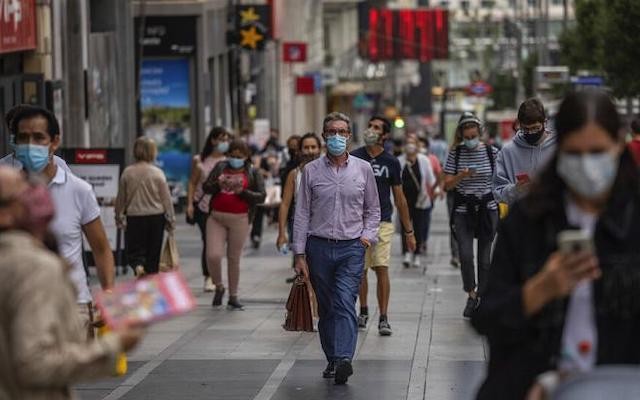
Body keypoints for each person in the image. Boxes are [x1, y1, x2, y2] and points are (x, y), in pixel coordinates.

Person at [471, 90, 640, 399]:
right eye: (575, 153)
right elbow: (488, 318)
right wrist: (541, 289)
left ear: (619, 143)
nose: (587, 165)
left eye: (597, 152)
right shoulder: (530, 221)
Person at [0, 166, 143, 400]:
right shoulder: (35, 268)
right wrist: (114, 344)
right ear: (5, 212)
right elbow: (34, 363)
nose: (34, 193)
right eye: (22, 190)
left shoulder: (76, 188)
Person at [10, 105, 115, 338]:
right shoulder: (8, 193)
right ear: (14, 144)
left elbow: (101, 248)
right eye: (23, 138)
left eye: (39, 137)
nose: (30, 145)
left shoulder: (78, 190)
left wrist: (108, 294)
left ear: (54, 142)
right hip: (19, 309)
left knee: (73, 371)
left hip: (73, 305)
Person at [293, 112, 380, 384]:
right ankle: (332, 357)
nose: (337, 137)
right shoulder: (311, 171)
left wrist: (367, 237)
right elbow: (302, 213)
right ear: (323, 136)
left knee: (344, 301)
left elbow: (373, 209)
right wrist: (299, 253)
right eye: (332, 132)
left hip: (351, 248)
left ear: (349, 136)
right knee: (328, 306)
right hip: (318, 248)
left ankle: (344, 358)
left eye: (342, 132)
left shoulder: (363, 169)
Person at [352, 116, 416, 336]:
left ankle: (383, 317)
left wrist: (409, 232)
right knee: (360, 270)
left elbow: (399, 198)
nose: (371, 130)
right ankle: (363, 310)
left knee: (381, 267)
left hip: (383, 222)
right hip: (356, 223)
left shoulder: (391, 162)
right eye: (369, 126)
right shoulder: (354, 158)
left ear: (385, 135)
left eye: (376, 128)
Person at [444, 112, 499, 319]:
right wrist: (462, 175)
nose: (470, 140)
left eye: (473, 136)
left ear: (480, 133)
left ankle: (482, 298)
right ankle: (471, 292)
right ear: (460, 135)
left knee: (485, 259)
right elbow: (447, 185)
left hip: (487, 209)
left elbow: (500, 179)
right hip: (463, 211)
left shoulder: (492, 152)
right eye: (466, 137)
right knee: (465, 255)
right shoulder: (455, 154)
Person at [202, 139, 266, 310]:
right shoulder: (221, 167)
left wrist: (242, 192)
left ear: (246, 156)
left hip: (240, 218)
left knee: (233, 258)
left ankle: (233, 296)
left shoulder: (252, 171)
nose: (235, 159)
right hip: (216, 217)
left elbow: (261, 196)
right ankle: (219, 286)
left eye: (239, 156)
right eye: (232, 155)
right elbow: (206, 187)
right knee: (213, 255)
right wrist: (218, 184)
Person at [115, 137, 176, 277]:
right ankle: (150, 284)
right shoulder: (157, 173)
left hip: (134, 217)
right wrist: (171, 220)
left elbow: (121, 198)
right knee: (153, 254)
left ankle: (138, 266)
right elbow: (166, 200)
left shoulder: (127, 172)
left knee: (135, 251)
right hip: (156, 217)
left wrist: (118, 215)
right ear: (152, 152)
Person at [186, 126, 229, 291]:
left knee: (217, 243)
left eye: (226, 139)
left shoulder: (228, 161)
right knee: (208, 241)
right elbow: (192, 182)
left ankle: (214, 273)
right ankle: (208, 276)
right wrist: (189, 203)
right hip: (203, 207)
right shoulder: (199, 160)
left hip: (221, 207)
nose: (224, 143)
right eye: (221, 139)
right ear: (212, 140)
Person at [493, 98, 557, 205]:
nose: (531, 132)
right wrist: (515, 190)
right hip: (521, 217)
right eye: (526, 129)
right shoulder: (508, 152)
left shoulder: (558, 147)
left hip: (554, 217)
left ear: (545, 123)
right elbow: (497, 192)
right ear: (519, 125)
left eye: (535, 128)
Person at [276, 133, 321, 282]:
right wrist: (282, 233)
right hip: (302, 230)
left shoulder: (329, 172)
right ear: (299, 151)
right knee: (308, 274)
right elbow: (285, 204)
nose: (310, 151)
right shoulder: (294, 175)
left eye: (313, 147)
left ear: (320, 149)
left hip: (325, 230)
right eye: (306, 147)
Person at [398, 136, 437, 269]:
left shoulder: (424, 160)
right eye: (408, 143)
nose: (410, 146)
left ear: (417, 145)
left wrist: (436, 190)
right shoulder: (399, 161)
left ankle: (417, 254)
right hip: (404, 201)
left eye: (412, 143)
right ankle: (407, 253)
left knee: (419, 228)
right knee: (405, 228)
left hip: (421, 200)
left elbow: (430, 178)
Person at [0, 104, 70, 172]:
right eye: (23, 136)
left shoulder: (58, 164)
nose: (30, 143)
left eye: (38, 137)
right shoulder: (3, 167)